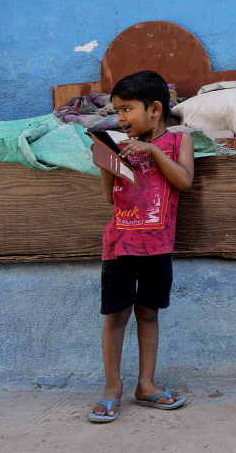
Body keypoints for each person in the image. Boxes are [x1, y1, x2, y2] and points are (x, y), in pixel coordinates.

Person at [89, 70, 194, 423]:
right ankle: (112, 388)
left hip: (158, 247)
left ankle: (146, 385)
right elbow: (109, 198)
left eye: (126, 109)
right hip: (119, 246)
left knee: (149, 313)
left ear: (154, 109)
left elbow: (184, 181)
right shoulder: (119, 144)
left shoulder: (179, 141)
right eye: (117, 110)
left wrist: (151, 150)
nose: (120, 118)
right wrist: (107, 161)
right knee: (116, 315)